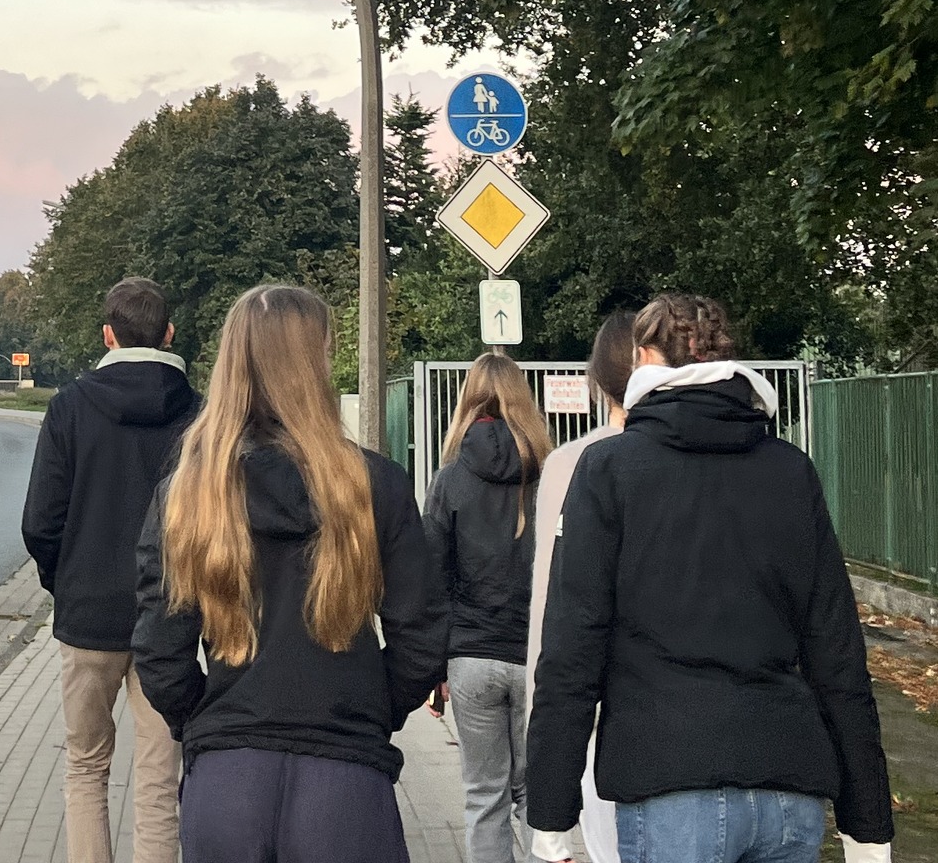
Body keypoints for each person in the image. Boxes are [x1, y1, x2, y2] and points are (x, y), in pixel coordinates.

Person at [528, 293, 894, 863]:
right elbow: (837, 651)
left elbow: (573, 648)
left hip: (668, 779)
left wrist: (551, 812)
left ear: (645, 356)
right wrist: (867, 823)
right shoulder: (790, 470)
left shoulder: (608, 469)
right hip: (787, 781)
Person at [134, 284, 442, 863]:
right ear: (314, 366)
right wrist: (372, 710)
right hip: (345, 781)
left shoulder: (186, 495)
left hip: (226, 782)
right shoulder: (373, 485)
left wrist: (206, 720)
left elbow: (157, 648)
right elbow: (421, 636)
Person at [21, 276, 199, 863]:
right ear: (168, 333)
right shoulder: (199, 413)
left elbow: (40, 522)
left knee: (85, 766)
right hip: (170, 617)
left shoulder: (70, 407)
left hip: (88, 614)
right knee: (159, 778)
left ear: (107, 335)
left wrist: (68, 582)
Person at [424, 353, 552, 863]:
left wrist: (434, 669)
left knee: (484, 797)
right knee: (538, 796)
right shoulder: (551, 477)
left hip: (471, 656)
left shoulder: (450, 480)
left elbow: (432, 582)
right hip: (537, 656)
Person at [523, 311, 637, 863]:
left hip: (597, 708)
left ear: (597, 383)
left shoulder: (571, 463)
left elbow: (550, 599)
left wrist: (541, 726)